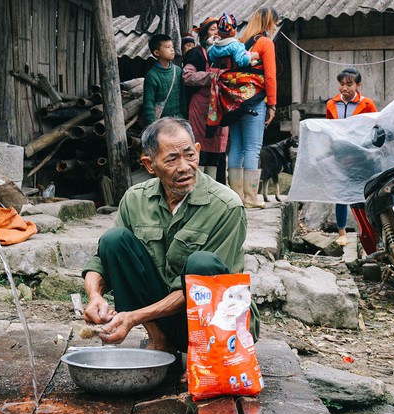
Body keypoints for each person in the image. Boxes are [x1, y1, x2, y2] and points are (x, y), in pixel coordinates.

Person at [82, 117, 260, 354]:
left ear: (198, 151)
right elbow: (101, 261)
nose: (185, 167)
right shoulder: (135, 199)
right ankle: (159, 339)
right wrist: (95, 296)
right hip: (163, 314)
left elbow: (211, 287)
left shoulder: (227, 206)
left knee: (202, 263)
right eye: (172, 159)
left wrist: (133, 317)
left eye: (189, 155)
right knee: (114, 240)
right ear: (149, 165)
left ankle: (206, 352)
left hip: (216, 320)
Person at [224, 6, 279, 209]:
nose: (275, 26)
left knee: (236, 147)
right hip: (255, 101)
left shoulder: (238, 43)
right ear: (268, 22)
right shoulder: (265, 43)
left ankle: (236, 198)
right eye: (275, 22)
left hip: (235, 102)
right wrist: (272, 104)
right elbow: (270, 76)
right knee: (252, 149)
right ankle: (250, 198)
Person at [325, 67, 378, 246]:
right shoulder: (332, 104)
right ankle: (342, 233)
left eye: (349, 84)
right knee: (341, 193)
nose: (344, 88)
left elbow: (375, 127)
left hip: (361, 155)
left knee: (363, 193)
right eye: (341, 84)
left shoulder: (367, 104)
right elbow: (329, 128)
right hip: (341, 155)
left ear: (358, 85)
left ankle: (369, 231)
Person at [183, 17, 228, 184]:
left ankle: (213, 191)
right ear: (203, 34)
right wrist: (212, 77)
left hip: (219, 107)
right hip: (200, 107)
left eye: (218, 30)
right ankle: (197, 189)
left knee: (216, 153)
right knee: (198, 150)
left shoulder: (226, 54)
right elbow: (187, 76)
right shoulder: (195, 53)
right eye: (212, 29)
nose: (216, 33)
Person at [142, 34, 186, 126]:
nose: (172, 50)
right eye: (167, 47)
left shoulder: (177, 71)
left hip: (179, 120)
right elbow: (149, 104)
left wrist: (184, 117)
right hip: (161, 123)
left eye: (172, 46)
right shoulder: (152, 76)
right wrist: (151, 126)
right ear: (157, 53)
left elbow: (183, 97)